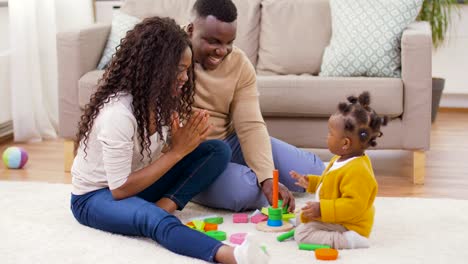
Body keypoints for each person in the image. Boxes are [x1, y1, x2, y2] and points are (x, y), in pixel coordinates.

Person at [70, 17, 269, 264]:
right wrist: (176, 152)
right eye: (178, 71)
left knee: (216, 150)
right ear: (154, 70)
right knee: (153, 220)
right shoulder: (118, 114)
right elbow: (119, 189)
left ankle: (165, 204)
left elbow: (148, 158)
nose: (185, 78)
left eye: (187, 69)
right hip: (96, 196)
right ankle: (231, 255)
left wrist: (179, 145)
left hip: (137, 184)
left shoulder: (163, 102)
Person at [185, 0, 326, 212]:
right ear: (190, 30)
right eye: (213, 41)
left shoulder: (239, 63)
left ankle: (245, 173)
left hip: (229, 143)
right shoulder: (169, 54)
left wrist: (267, 177)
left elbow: (250, 125)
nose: (222, 51)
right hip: (190, 155)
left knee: (313, 172)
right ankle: (197, 186)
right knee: (244, 191)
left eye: (229, 42)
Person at [290, 91, 388, 249]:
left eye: (330, 133)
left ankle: (349, 240)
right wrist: (312, 182)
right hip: (335, 215)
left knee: (302, 234)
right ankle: (313, 221)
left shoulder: (358, 170)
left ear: (345, 143)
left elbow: (353, 205)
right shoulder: (340, 158)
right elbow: (331, 185)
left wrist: (322, 209)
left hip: (349, 223)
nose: (327, 137)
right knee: (303, 215)